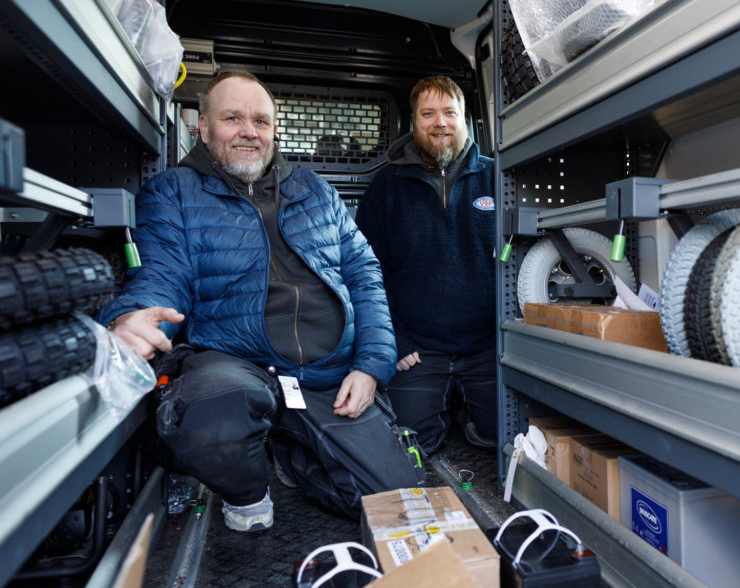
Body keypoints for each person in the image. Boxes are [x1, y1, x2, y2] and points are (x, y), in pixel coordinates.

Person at [96, 71, 422, 533]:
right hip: (238, 364)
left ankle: (293, 451)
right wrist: (133, 316)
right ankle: (248, 491)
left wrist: (370, 365)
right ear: (204, 127)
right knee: (211, 414)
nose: (250, 131)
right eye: (233, 118)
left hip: (328, 374)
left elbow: (364, 275)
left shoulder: (315, 190)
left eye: (261, 121)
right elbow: (160, 276)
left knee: (396, 500)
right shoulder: (173, 192)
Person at [355, 75, 497, 455]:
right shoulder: (386, 186)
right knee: (410, 446)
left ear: (464, 119)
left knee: (500, 438)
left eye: (450, 113)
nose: (440, 123)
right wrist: (395, 339)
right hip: (417, 349)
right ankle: (441, 406)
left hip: (487, 346)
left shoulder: (498, 178)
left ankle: (466, 411)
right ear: (413, 121)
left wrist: (507, 338)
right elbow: (364, 274)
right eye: (428, 114)